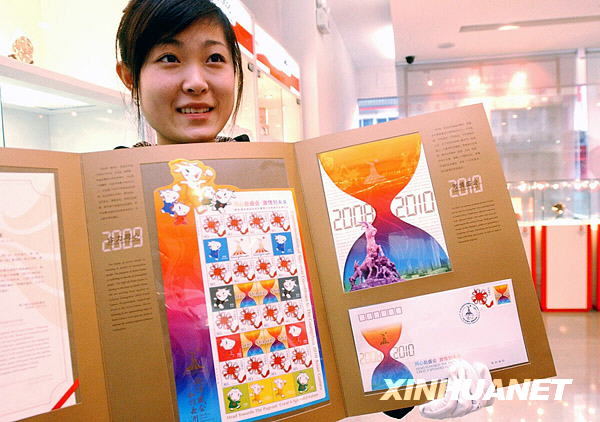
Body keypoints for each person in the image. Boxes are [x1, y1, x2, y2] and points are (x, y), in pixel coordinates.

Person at [115, 0, 495, 419]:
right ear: (130, 77)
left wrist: (432, 375)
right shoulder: (109, 206)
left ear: (237, 73)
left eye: (214, 59)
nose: (196, 82)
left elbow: (347, 323)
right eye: (169, 58)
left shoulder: (283, 182)